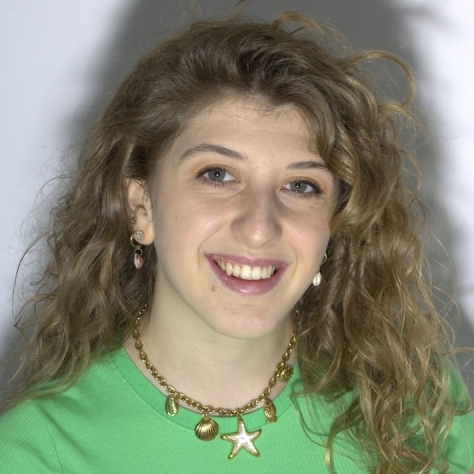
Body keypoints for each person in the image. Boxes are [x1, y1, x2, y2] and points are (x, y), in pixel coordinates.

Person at [0, 10, 473, 474]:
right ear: (141, 208)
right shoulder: (38, 452)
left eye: (301, 186)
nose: (259, 227)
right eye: (217, 175)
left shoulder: (412, 401)